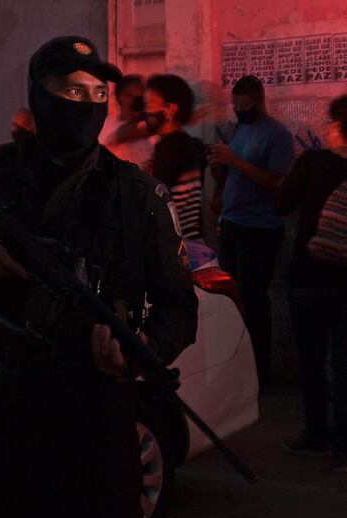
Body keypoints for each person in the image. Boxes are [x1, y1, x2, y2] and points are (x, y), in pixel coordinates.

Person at [0, 35, 198, 518]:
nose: (89, 104)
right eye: (72, 90)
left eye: (99, 93)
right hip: (12, 417)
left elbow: (180, 307)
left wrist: (140, 348)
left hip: (100, 416)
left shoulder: (136, 196)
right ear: (39, 95)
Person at [208, 74, 295, 391]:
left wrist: (236, 160)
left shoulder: (277, 135)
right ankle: (235, 367)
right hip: (232, 223)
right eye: (236, 106)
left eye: (245, 106)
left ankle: (260, 373)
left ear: (258, 101)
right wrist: (219, 167)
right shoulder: (239, 129)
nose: (240, 110)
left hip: (260, 229)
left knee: (254, 299)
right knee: (232, 298)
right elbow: (231, 174)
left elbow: (275, 182)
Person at [275, 95, 347, 472]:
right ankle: (343, 449)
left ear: (337, 126)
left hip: (310, 276)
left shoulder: (314, 161)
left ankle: (317, 435)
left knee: (313, 361)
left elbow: (281, 204)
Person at [144, 74, 205, 240]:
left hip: (178, 243)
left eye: (150, 104)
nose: (146, 111)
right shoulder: (175, 142)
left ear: (170, 109)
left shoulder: (174, 145)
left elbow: (155, 197)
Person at [98, 74, 153, 169]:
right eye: (140, 94)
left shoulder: (145, 125)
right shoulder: (108, 127)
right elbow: (124, 133)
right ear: (123, 98)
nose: (143, 98)